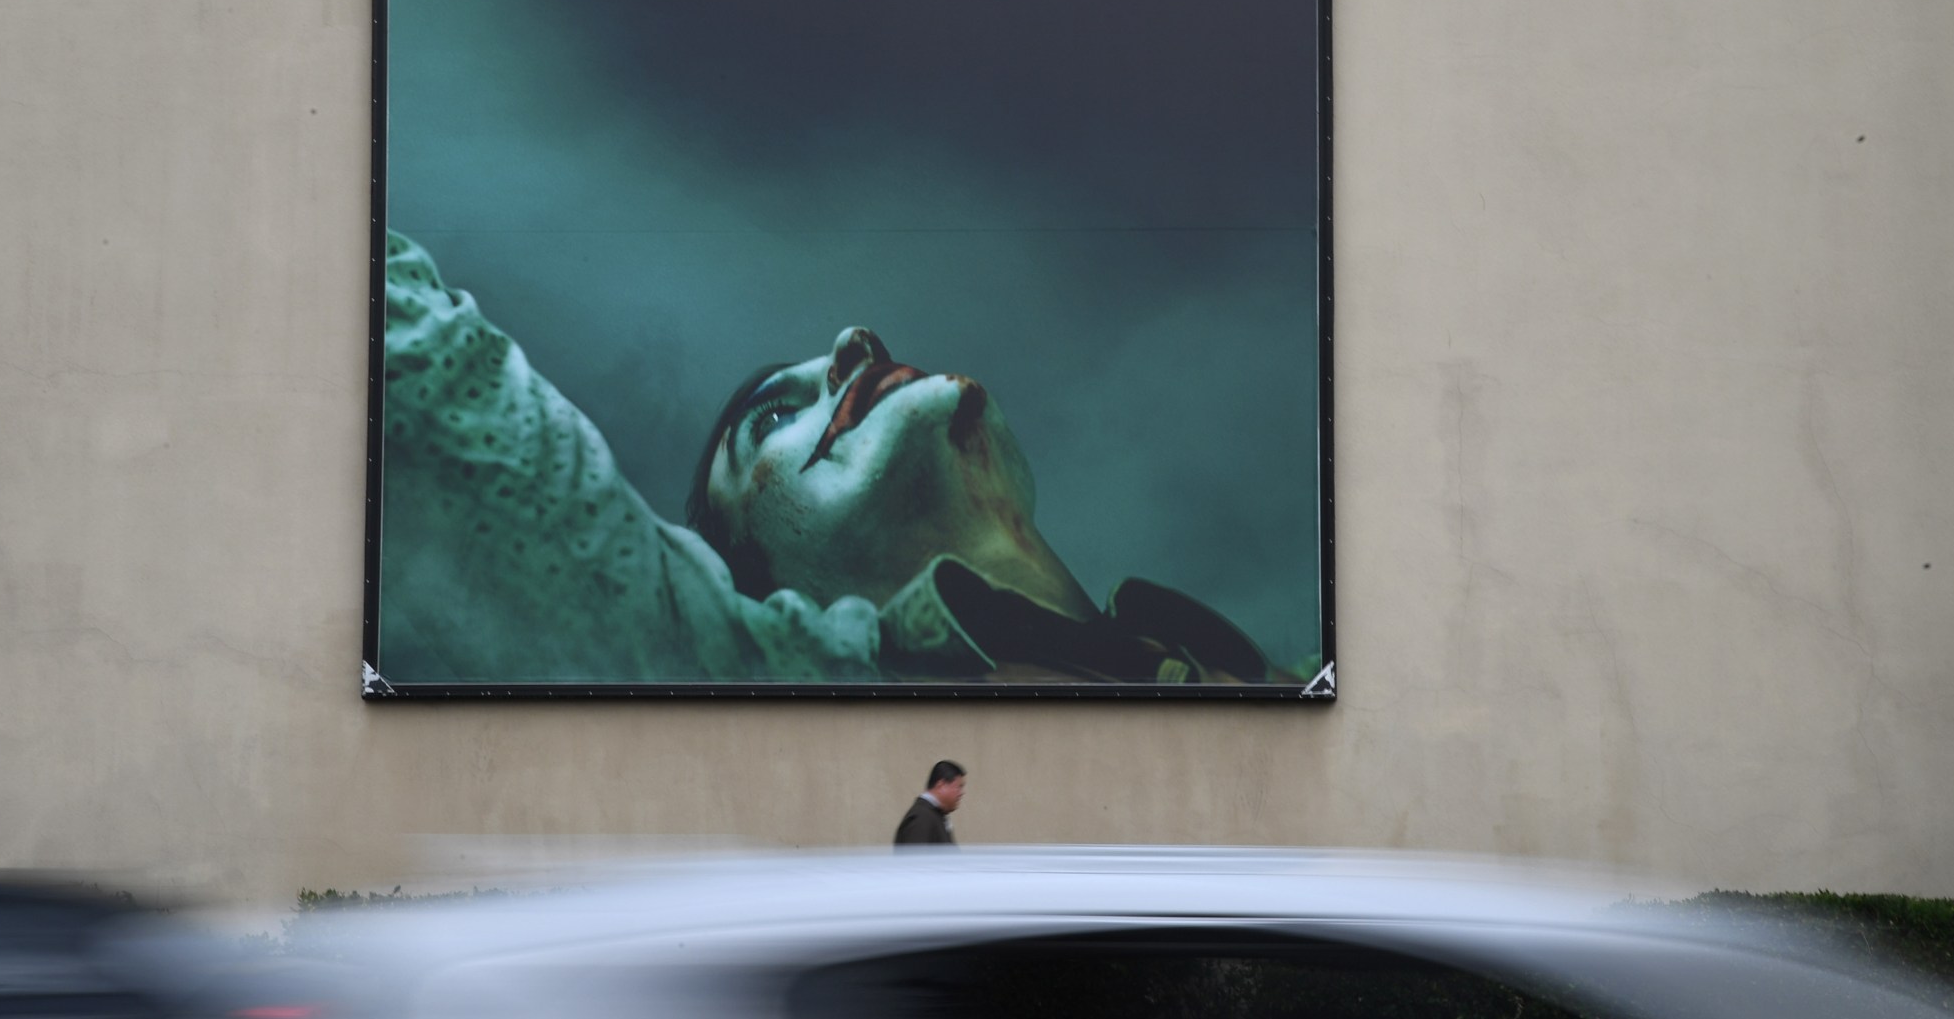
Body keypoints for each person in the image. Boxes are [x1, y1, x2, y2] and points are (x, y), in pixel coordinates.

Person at [376, 230, 1293, 685]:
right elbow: (425, 369)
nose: (856, 341)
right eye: (775, 414)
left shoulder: (1282, 678)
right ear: (756, 591)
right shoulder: (752, 680)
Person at [894, 761, 966, 846]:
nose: (961, 793)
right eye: (959, 787)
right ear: (941, 785)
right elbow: (915, 858)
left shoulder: (933, 814)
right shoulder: (921, 818)